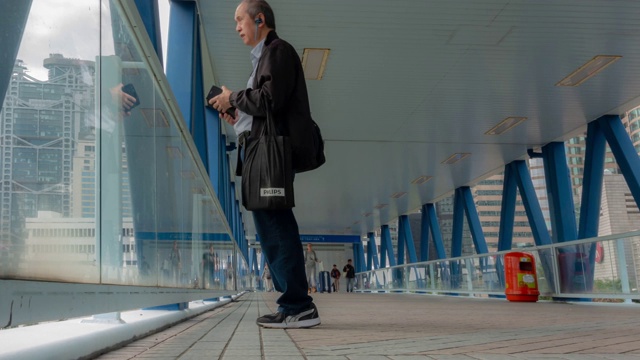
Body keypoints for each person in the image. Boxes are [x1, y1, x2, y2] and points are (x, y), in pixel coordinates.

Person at [209, 0, 320, 329]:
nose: (236, 27)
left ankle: (298, 305)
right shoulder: (265, 57)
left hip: (271, 155)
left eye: (240, 19)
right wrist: (237, 115)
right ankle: (292, 303)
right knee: (271, 226)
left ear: (260, 19)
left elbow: (271, 99)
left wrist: (234, 97)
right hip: (261, 150)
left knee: (277, 226)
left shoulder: (278, 50)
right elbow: (265, 109)